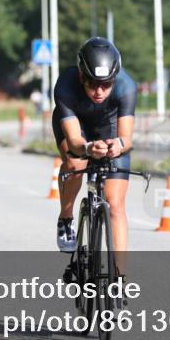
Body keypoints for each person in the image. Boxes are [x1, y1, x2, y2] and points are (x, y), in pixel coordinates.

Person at [52, 37, 136, 271]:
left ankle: (120, 276)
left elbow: (126, 138)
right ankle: (66, 218)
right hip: (78, 127)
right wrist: (88, 148)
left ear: (114, 80)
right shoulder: (65, 86)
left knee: (115, 204)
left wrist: (118, 144)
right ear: (81, 76)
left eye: (106, 84)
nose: (99, 91)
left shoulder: (126, 86)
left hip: (108, 129)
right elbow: (75, 141)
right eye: (92, 84)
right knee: (76, 163)